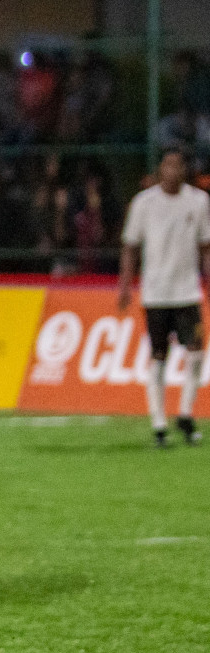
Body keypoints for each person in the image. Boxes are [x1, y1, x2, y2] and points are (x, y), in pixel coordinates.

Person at [119, 147, 210, 448]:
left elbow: (204, 245)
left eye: (178, 165)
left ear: (184, 169)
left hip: (187, 292)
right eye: (168, 164)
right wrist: (124, 286)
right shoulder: (144, 204)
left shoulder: (198, 202)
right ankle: (159, 424)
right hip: (156, 294)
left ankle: (185, 414)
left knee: (196, 351)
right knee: (159, 357)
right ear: (160, 169)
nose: (173, 170)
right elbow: (130, 246)